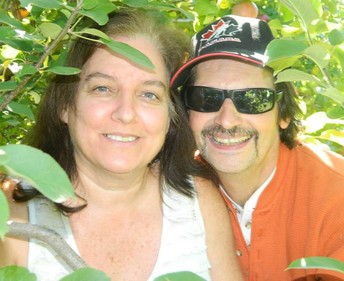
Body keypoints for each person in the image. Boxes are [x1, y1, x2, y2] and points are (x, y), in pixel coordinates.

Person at [0, 9, 243, 281]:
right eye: (103, 88)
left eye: (149, 94)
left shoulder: (199, 203)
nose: (126, 113)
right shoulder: (13, 213)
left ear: (170, 117)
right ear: (65, 106)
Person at [170, 14, 344, 281]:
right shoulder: (172, 192)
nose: (227, 120)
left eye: (253, 99)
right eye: (206, 98)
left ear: (284, 114)